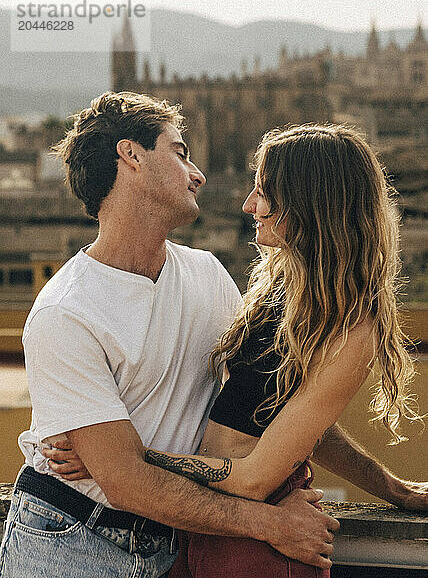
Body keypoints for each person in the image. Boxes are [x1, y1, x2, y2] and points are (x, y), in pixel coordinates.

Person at [49, 122, 428, 578]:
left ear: (312, 201)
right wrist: (395, 488)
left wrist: (124, 459)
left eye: (265, 192)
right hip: (206, 529)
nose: (249, 205)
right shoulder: (280, 291)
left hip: (259, 536)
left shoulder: (351, 327)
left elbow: (254, 477)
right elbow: (291, 423)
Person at [0, 92, 340, 578]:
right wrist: (269, 525)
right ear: (131, 155)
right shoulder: (66, 310)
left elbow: (277, 401)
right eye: (180, 152)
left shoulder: (207, 275)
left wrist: (390, 487)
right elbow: (125, 483)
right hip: (72, 542)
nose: (198, 173)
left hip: (172, 542)